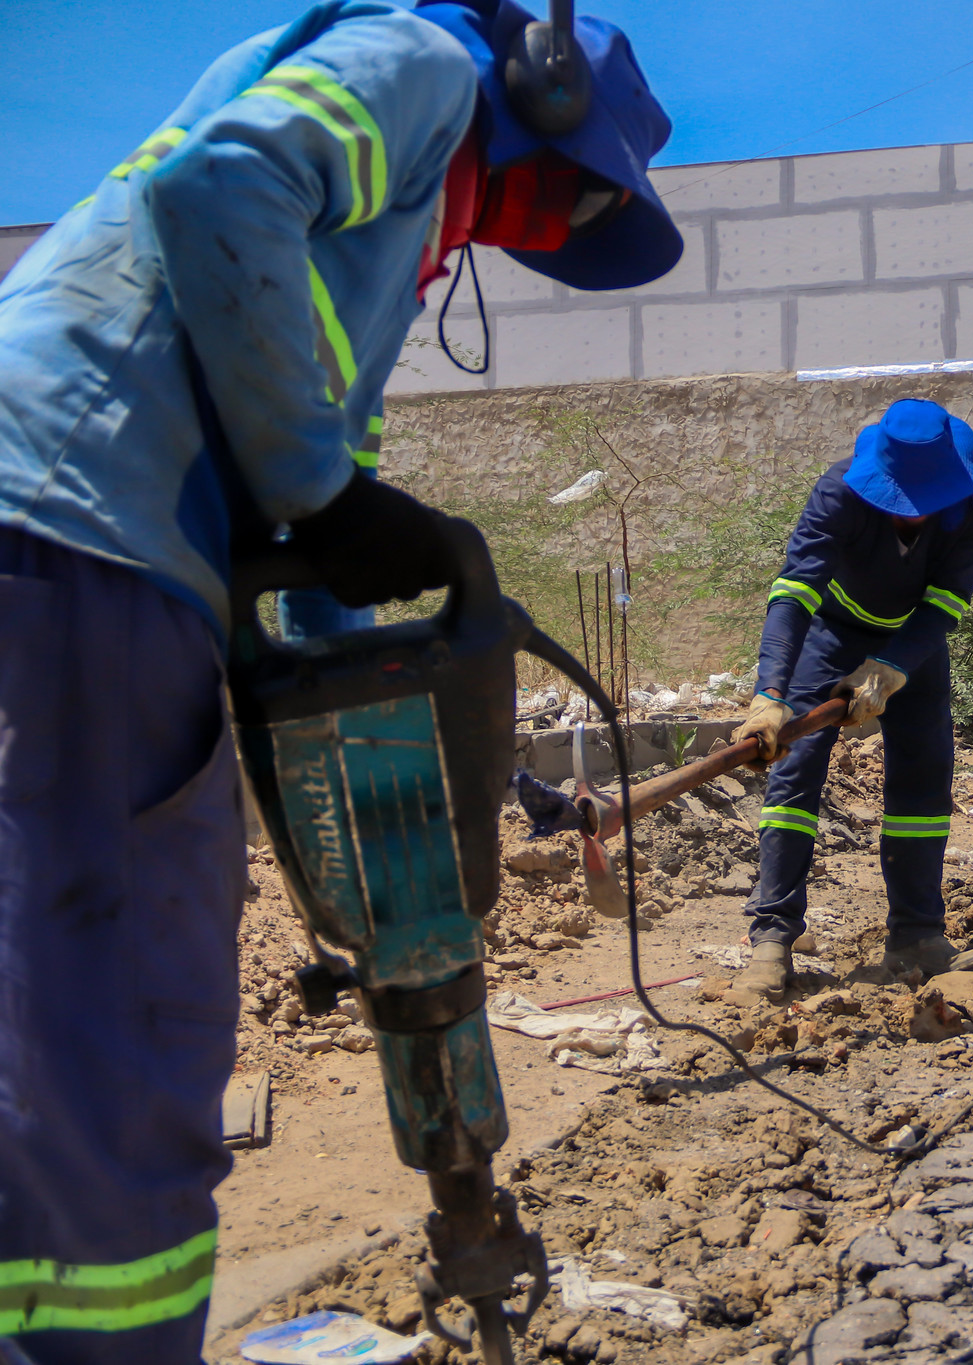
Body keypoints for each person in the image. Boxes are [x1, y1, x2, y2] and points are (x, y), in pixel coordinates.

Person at [0, 3, 680, 1359]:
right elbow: (220, 186)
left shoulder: (375, 240)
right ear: (542, 95)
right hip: (85, 548)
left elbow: (303, 547)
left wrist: (463, 741)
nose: (554, 225)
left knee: (61, 1009)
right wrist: (329, 493)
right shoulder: (424, 66)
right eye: (580, 186)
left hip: (99, 562)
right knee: (121, 1030)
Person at [729, 399, 973, 998]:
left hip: (913, 642)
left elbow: (946, 601)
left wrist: (894, 667)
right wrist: (770, 694)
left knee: (925, 779)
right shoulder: (838, 492)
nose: (907, 517)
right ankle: (773, 937)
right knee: (793, 773)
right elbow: (795, 590)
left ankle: (918, 934)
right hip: (832, 634)